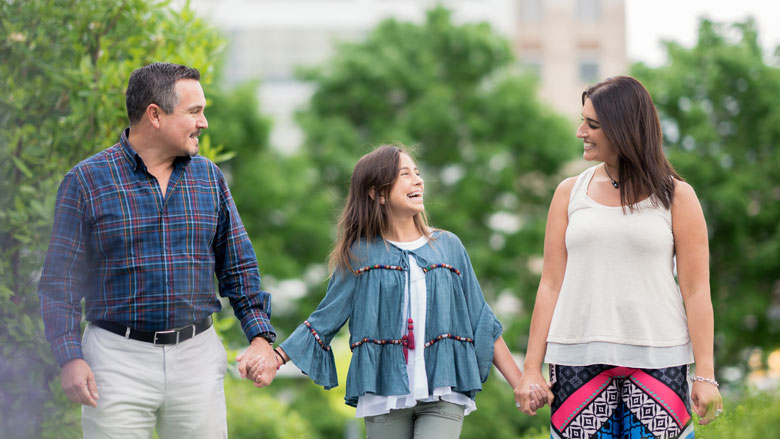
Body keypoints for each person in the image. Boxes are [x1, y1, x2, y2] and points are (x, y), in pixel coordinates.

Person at [38, 62, 278, 439]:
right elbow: (58, 284)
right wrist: (70, 358)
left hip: (197, 357)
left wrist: (260, 339)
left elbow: (239, 267)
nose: (204, 123)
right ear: (155, 114)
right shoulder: (85, 181)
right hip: (115, 359)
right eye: (194, 112)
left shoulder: (210, 178)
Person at [248, 145, 546, 438]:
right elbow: (324, 319)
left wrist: (521, 382)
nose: (418, 180)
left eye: (417, 173)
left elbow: (482, 320)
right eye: (405, 174)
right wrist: (276, 359)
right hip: (382, 392)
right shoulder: (360, 255)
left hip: (444, 388)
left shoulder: (449, 247)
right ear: (377, 193)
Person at [514, 76, 723, 438]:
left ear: (623, 128)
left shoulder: (677, 196)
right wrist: (531, 368)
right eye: (583, 121)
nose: (581, 131)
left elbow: (696, 290)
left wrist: (705, 374)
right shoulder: (568, 193)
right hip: (576, 356)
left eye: (592, 124)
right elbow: (549, 284)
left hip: (660, 356)